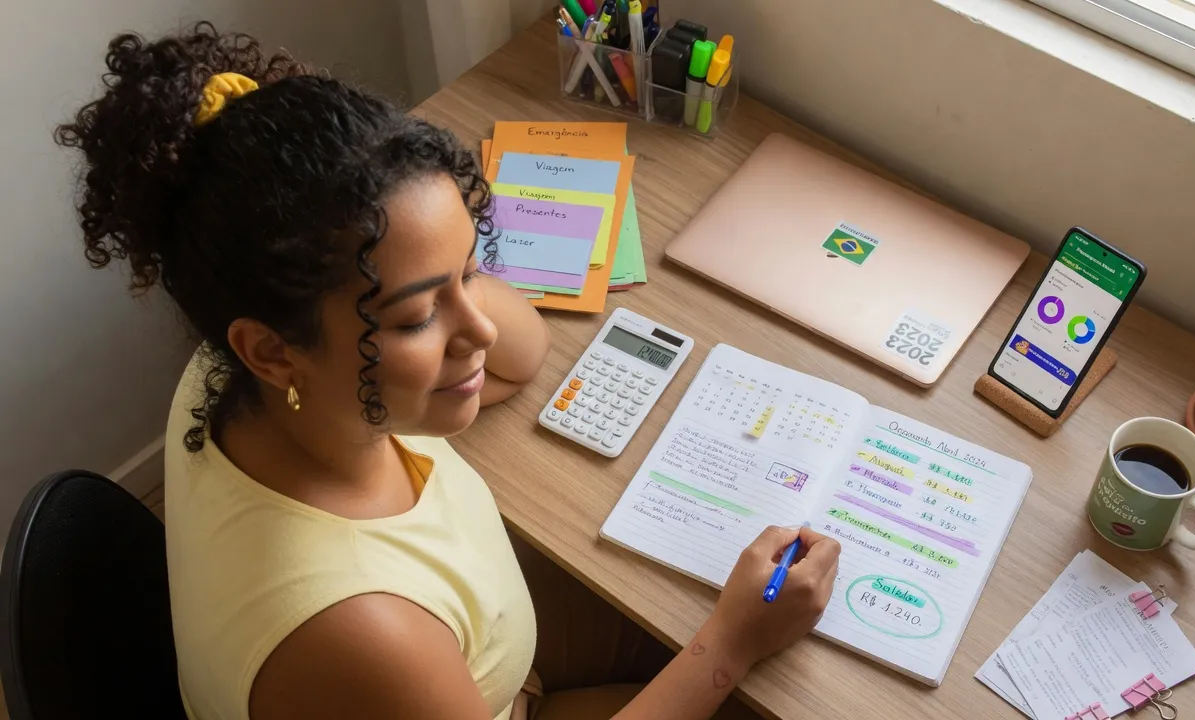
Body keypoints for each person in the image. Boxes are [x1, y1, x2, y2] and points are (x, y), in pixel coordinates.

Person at [57, 24, 841, 720]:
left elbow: (521, 347)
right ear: (269, 348)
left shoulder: (235, 375)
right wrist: (731, 642)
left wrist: (431, 278)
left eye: (471, 272)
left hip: (486, 667)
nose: (482, 325)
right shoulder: (357, 634)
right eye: (412, 317)